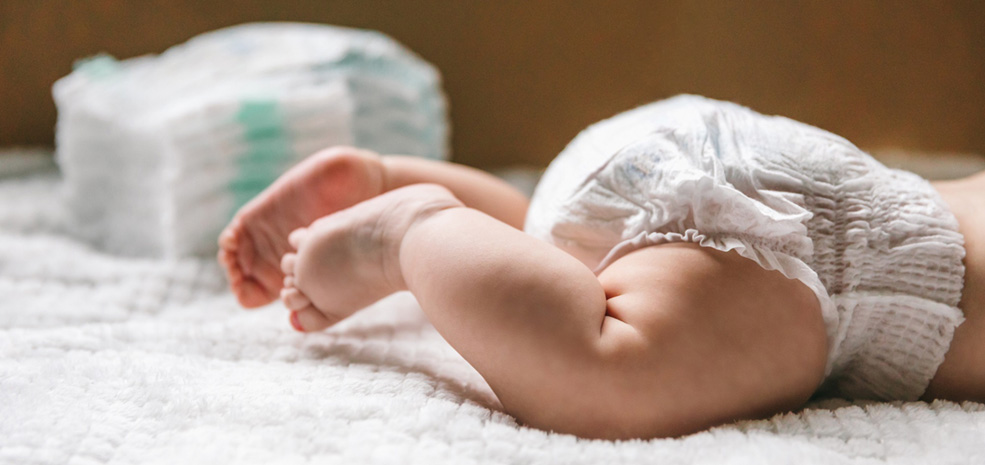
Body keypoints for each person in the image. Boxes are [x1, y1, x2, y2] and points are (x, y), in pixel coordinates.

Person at [217, 95, 985, 439]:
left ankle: (411, 189)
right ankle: (408, 230)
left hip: (709, 146)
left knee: (562, 255)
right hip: (819, 260)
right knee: (610, 368)